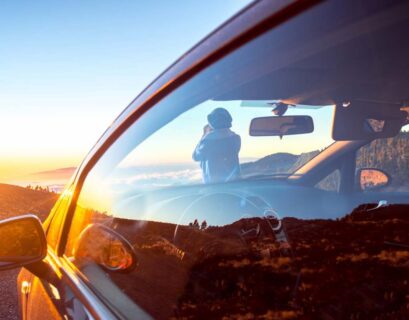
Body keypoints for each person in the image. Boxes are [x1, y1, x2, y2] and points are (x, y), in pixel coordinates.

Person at [193, 108, 241, 183]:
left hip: (214, 185)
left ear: (211, 121)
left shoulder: (207, 140)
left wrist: (204, 134)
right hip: (234, 183)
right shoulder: (236, 138)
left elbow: (195, 157)